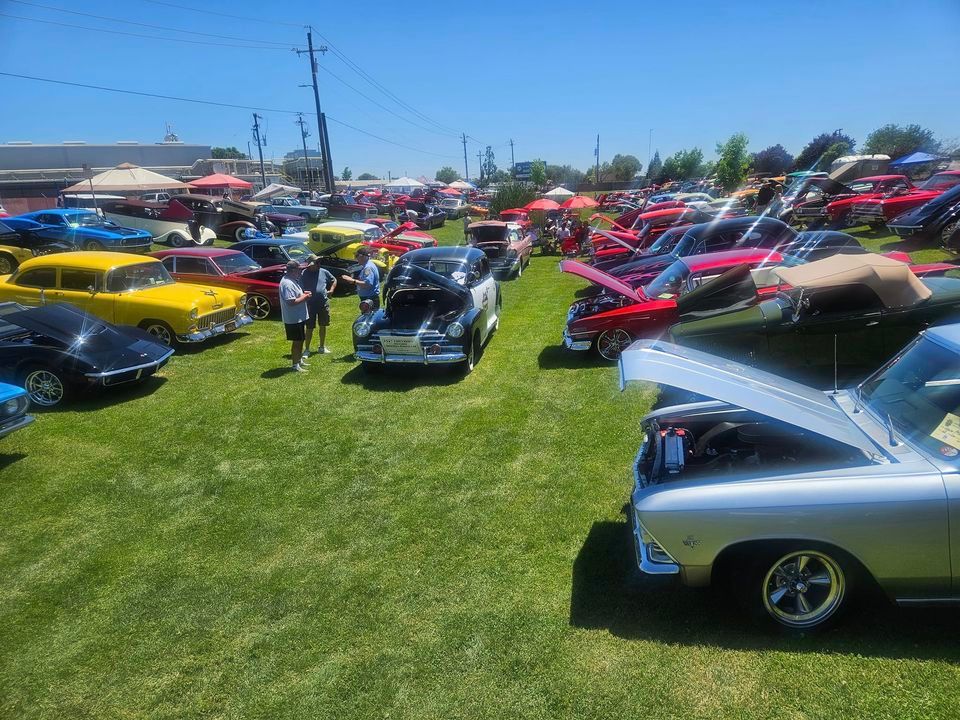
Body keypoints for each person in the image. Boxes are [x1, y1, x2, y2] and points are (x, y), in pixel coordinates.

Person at [279, 260, 312, 372]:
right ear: (293, 270)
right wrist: (305, 297)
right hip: (293, 318)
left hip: (299, 316)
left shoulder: (292, 280)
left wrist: (303, 293)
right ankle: (295, 365)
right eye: (299, 269)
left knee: (301, 339)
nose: (300, 271)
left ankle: (299, 360)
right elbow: (291, 302)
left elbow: (296, 295)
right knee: (297, 342)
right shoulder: (287, 283)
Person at [301, 255, 337, 357]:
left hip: (323, 304)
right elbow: (300, 287)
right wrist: (304, 294)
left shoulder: (324, 272)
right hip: (310, 305)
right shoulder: (304, 273)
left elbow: (334, 280)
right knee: (309, 328)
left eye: (319, 262)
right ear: (311, 265)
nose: (319, 264)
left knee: (323, 325)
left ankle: (322, 347)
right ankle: (307, 349)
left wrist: (331, 290)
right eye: (316, 263)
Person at [340, 247, 380, 311]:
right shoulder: (367, 265)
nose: (356, 258)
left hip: (369, 299)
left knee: (368, 319)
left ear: (362, 256)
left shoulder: (368, 268)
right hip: (369, 298)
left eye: (357, 256)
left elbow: (367, 284)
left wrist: (353, 281)